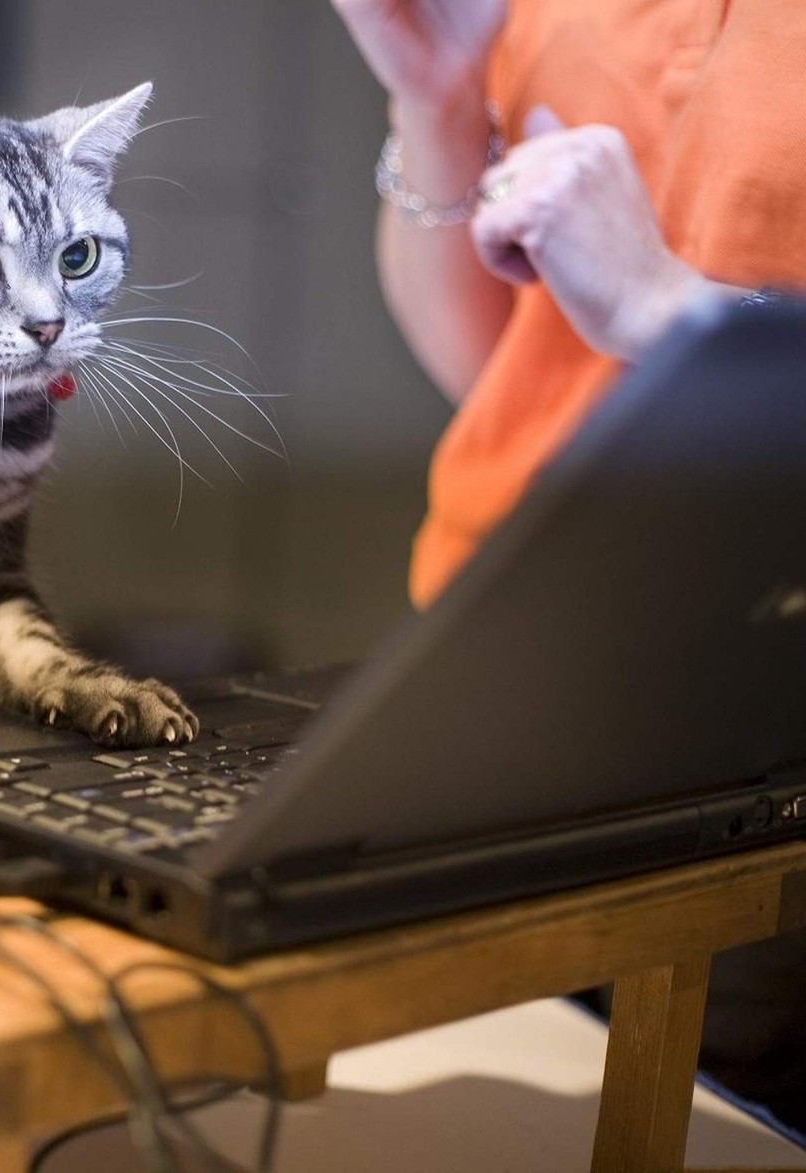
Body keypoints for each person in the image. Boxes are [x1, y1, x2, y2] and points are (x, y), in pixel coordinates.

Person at [330, 0, 806, 1134]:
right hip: (506, 675)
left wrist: (674, 309)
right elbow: (496, 363)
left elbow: (636, 303)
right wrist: (440, 106)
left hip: (765, 720)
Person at [330, 0, 806, 608]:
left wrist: (666, 304)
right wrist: (442, 106)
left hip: (753, 620)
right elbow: (494, 375)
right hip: (497, 605)